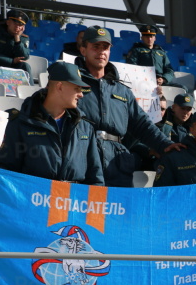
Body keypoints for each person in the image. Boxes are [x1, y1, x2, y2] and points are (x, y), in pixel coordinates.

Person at [75, 25, 182, 187]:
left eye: (105, 47)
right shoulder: (72, 85)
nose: (101, 52)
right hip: (82, 157)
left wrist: (164, 144)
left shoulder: (122, 91)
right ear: (83, 50)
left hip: (116, 162)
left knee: (116, 210)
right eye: (95, 47)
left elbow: (142, 124)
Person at [0, 61, 103, 185]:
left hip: (73, 201)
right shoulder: (21, 124)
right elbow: (6, 170)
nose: (81, 94)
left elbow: (95, 176)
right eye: (77, 88)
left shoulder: (85, 127)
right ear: (59, 86)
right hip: (34, 199)